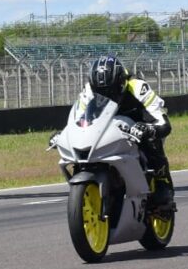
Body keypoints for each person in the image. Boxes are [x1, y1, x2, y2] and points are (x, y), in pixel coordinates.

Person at [51, 54, 174, 208]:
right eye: (101, 92)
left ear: (121, 83)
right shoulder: (89, 89)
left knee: (151, 141)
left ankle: (162, 183)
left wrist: (149, 129)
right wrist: (65, 134)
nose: (106, 95)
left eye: (110, 90)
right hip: (108, 126)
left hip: (138, 123)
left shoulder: (137, 86)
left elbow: (164, 123)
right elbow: (79, 117)